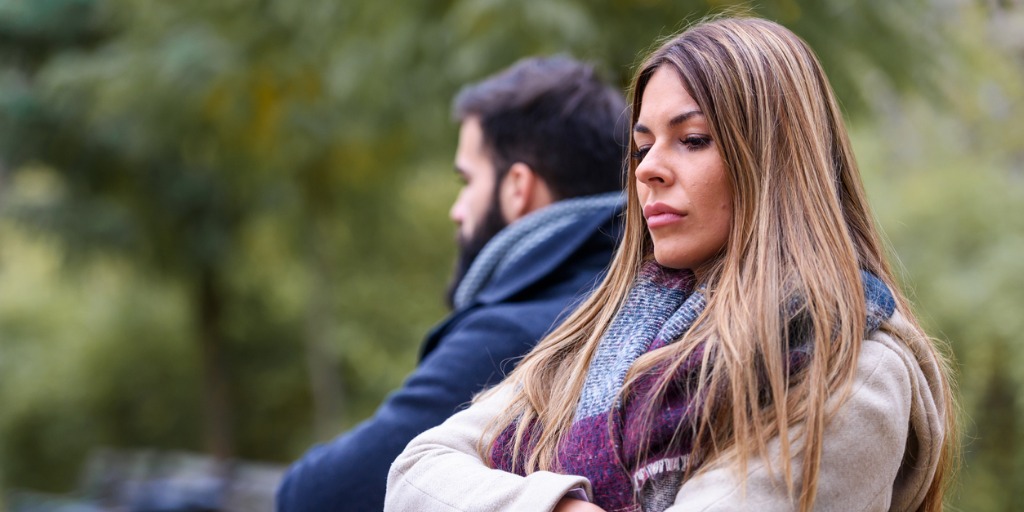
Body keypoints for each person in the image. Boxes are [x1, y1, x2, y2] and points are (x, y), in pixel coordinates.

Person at [385, 17, 957, 512]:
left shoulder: (850, 364)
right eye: (642, 145)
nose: (647, 170)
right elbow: (415, 475)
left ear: (775, 162)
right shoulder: (599, 334)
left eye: (693, 139)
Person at [276, 56, 628, 512]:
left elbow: (320, 496)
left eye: (468, 181)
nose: (457, 210)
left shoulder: (518, 331)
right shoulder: (640, 300)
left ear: (517, 187)